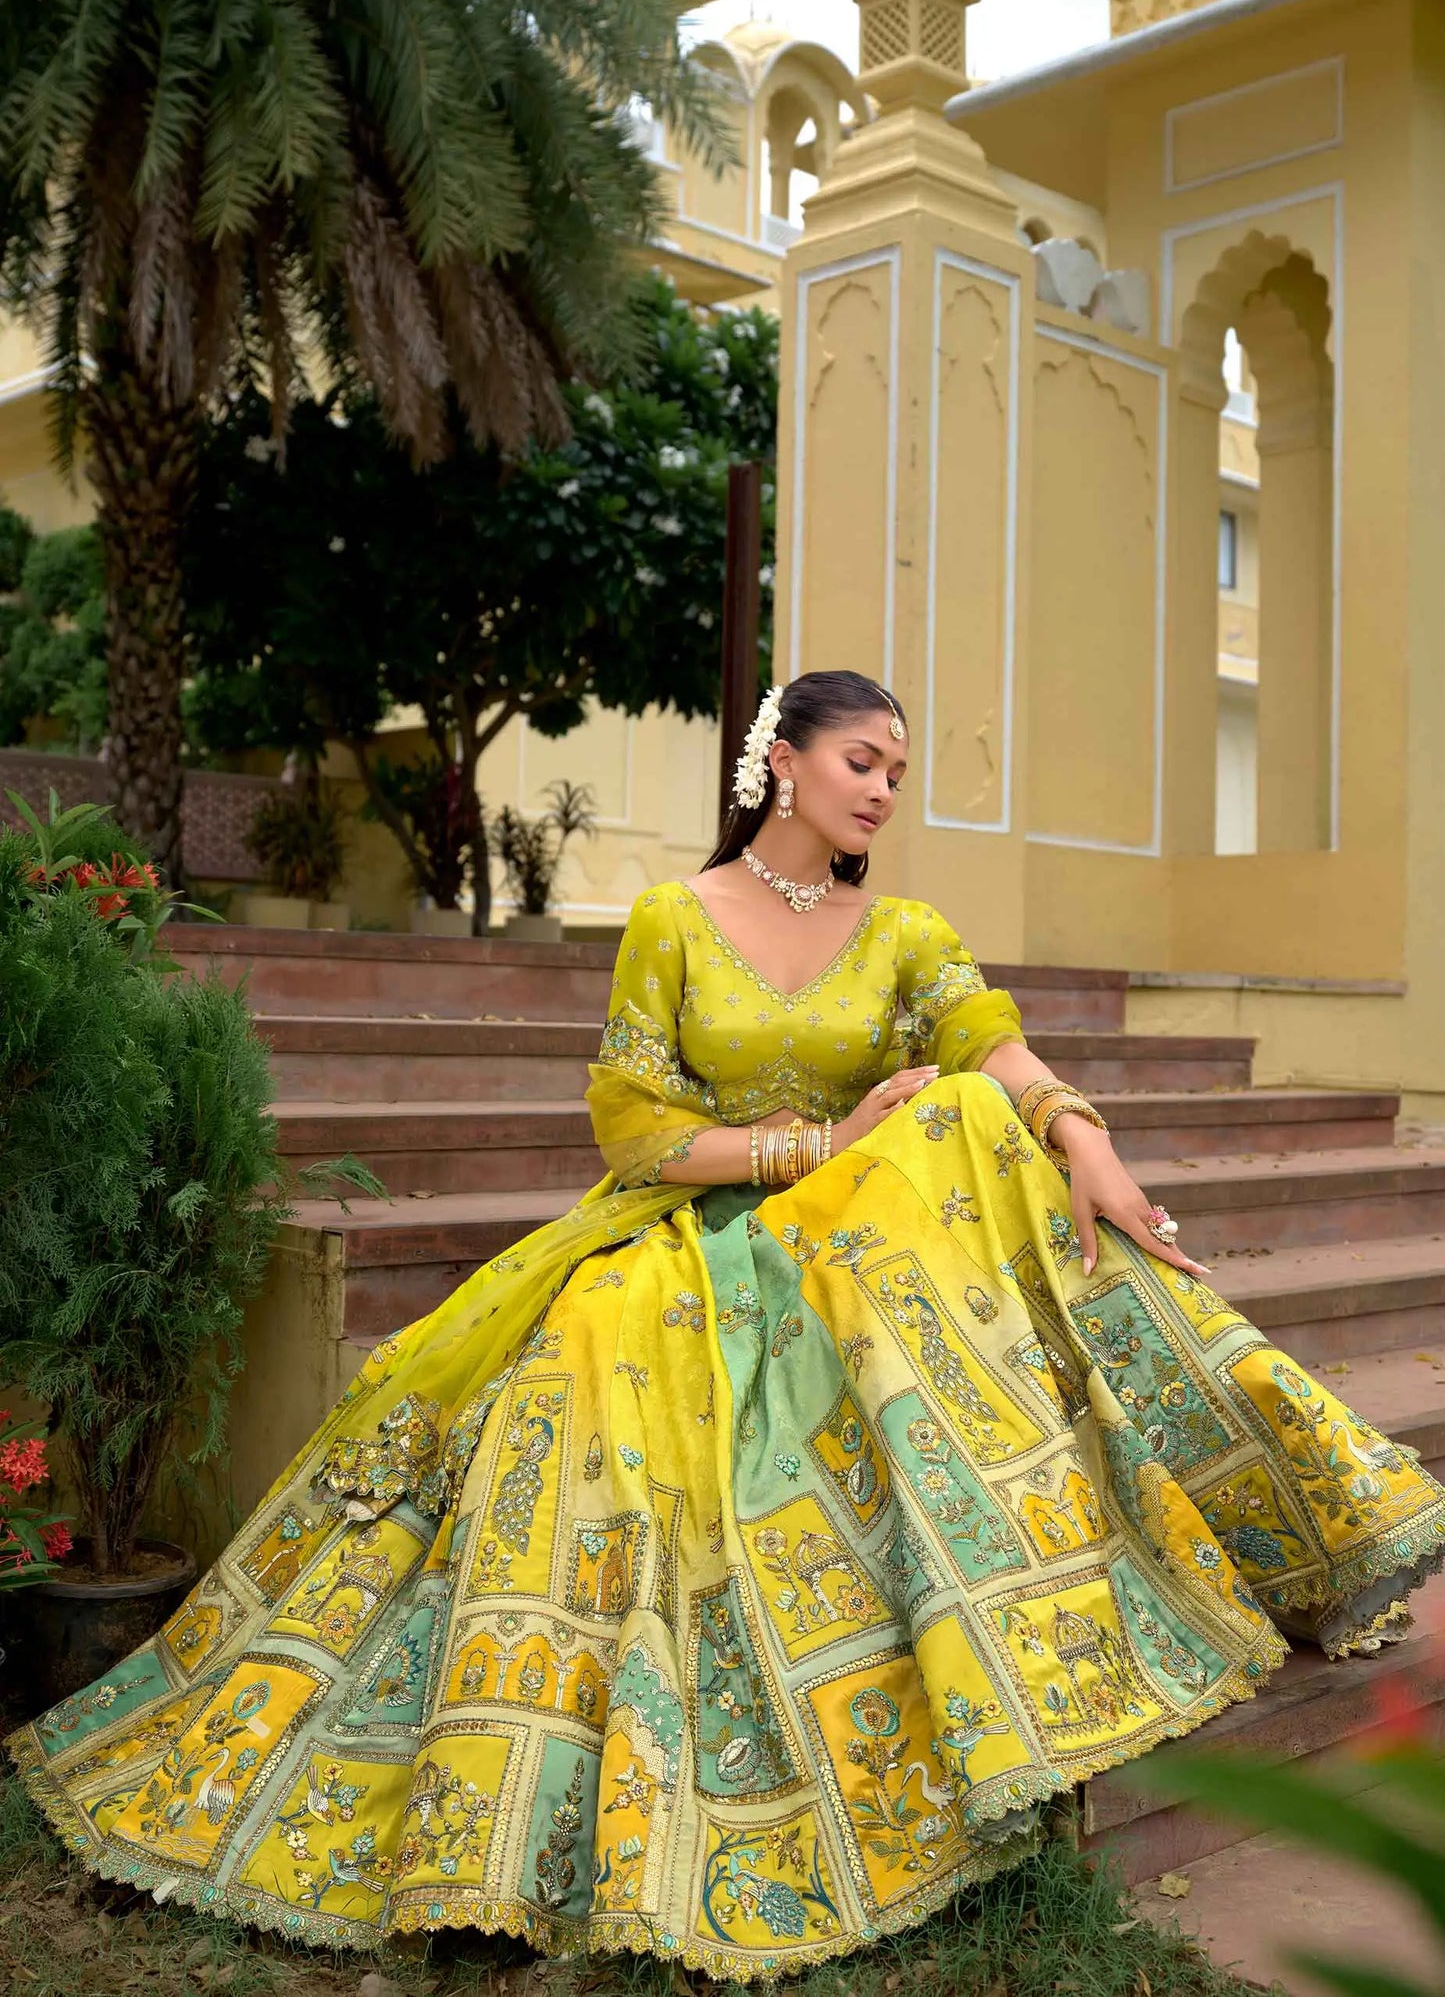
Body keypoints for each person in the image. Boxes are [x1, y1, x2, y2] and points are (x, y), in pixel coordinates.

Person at [11, 669, 1445, 1980]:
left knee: (961, 1113)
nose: (883, 791)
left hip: (856, 1241)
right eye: (863, 762)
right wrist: (814, 1146)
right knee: (587, 1369)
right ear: (783, 761)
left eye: (898, 774)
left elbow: (986, 1045)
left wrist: (1087, 1140)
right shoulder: (674, 922)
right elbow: (634, 1130)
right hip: (695, 1229)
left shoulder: (905, 934)